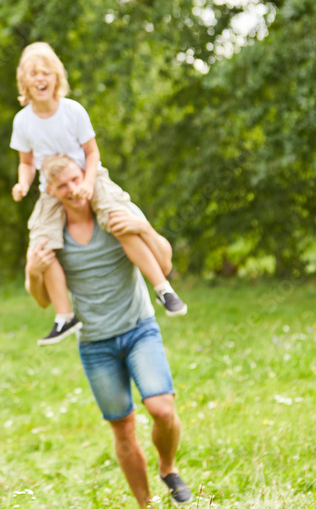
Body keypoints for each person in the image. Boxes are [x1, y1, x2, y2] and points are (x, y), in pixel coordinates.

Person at [25, 153, 192, 506]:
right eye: (63, 185)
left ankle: (168, 466)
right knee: (124, 428)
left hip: (138, 328)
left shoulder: (112, 211)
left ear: (85, 175)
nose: (73, 190)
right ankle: (144, 503)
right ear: (52, 192)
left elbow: (164, 261)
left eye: (76, 179)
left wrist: (143, 227)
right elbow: (41, 300)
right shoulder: (52, 234)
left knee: (162, 408)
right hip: (95, 343)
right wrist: (33, 271)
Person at [10, 42, 187, 346]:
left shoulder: (72, 111)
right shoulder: (23, 121)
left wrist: (89, 183)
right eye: (33, 73)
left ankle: (162, 288)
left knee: (119, 220)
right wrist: (23, 183)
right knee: (43, 244)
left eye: (45, 72)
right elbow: (27, 163)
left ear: (56, 77)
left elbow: (92, 153)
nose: (40, 78)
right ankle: (65, 316)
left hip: (88, 177)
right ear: (23, 81)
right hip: (53, 191)